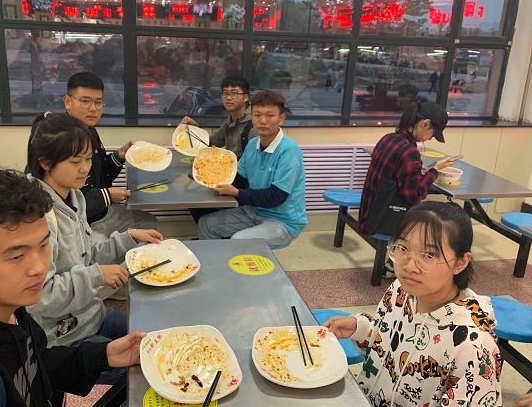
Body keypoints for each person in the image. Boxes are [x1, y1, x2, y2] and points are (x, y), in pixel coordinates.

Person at [0, 169, 146, 406]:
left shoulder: (7, 301)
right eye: (17, 256)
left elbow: (37, 364)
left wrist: (103, 355)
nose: (39, 267)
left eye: (44, 245)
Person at [325, 201, 502, 406]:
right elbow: (394, 342)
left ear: (460, 262)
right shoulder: (400, 291)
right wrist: (361, 329)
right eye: (403, 248)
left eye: (429, 255)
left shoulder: (474, 345)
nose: (410, 266)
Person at [25, 113, 162, 359]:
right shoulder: (36, 215)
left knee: (154, 338)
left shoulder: (74, 196)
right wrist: (97, 275)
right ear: (45, 163)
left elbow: (86, 254)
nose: (85, 168)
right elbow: (40, 297)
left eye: (88, 158)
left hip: (90, 313)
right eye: (75, 161)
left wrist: (128, 237)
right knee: (143, 365)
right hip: (63, 338)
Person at [198, 90, 307, 249]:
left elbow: (276, 196)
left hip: (284, 221)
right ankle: (216, 261)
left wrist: (237, 193)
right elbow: (238, 179)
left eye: (270, 115)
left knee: (239, 240)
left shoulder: (289, 151)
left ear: (281, 118)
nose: (262, 121)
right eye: (257, 115)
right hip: (255, 211)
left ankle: (234, 261)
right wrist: (215, 164)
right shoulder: (252, 144)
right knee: (206, 223)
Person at [358, 101, 455, 278]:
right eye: (433, 133)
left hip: (369, 212)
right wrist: (434, 170)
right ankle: (396, 266)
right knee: (433, 222)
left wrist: (416, 170)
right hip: (383, 220)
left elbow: (393, 172)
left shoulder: (388, 138)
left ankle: (394, 262)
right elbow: (414, 194)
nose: (430, 138)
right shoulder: (410, 152)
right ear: (425, 123)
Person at [63, 72, 158, 242]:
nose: (93, 108)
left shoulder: (89, 130)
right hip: (82, 224)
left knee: (149, 223)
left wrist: (120, 155)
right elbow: (66, 203)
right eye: (85, 101)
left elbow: (101, 175)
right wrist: (106, 196)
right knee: (102, 251)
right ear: (68, 102)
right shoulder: (59, 139)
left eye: (98, 102)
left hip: (104, 213)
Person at [181, 75, 256, 160]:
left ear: (245, 97)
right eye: (225, 93)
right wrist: (195, 129)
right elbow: (210, 142)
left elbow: (256, 162)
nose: (229, 97)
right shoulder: (230, 120)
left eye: (234, 93)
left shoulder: (254, 124)